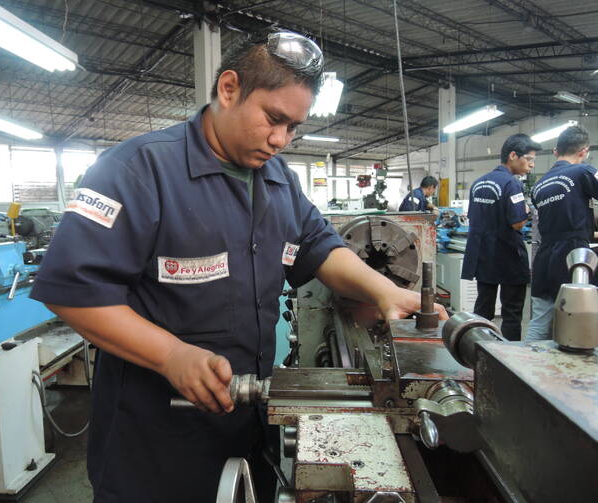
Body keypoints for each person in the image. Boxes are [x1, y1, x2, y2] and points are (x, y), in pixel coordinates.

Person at [30, 31, 447, 503]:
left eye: (293, 128)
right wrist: (171, 355)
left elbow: (318, 246)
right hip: (154, 443)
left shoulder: (277, 179)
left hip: (248, 425)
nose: (280, 140)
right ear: (228, 89)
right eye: (273, 119)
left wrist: (384, 291)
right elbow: (71, 290)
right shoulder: (135, 171)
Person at [461, 134, 541, 341]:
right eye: (529, 159)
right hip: (508, 257)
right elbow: (517, 223)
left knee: (483, 310)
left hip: (483, 256)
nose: (531, 165)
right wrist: (529, 211)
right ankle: (509, 361)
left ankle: (476, 349)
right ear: (513, 155)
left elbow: (473, 217)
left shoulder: (478, 183)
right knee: (512, 313)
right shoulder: (512, 184)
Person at [527, 125, 598, 341]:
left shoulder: (538, 185)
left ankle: (526, 367)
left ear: (556, 151)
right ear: (584, 151)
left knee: (540, 322)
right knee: (579, 320)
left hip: (544, 257)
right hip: (575, 258)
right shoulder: (584, 171)